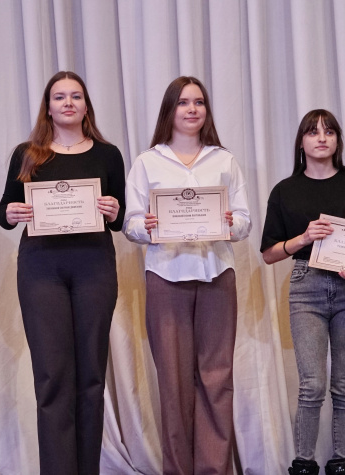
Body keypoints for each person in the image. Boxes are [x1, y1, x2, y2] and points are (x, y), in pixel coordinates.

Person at [0, 71, 125, 475]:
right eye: (59, 97)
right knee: (52, 377)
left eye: (75, 96)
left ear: (86, 106)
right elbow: (4, 212)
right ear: (48, 107)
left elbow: (121, 219)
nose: (68, 103)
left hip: (94, 268)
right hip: (41, 270)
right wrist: (11, 212)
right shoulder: (27, 153)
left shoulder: (108, 154)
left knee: (91, 377)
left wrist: (114, 210)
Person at [123, 76, 251, 475]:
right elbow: (130, 224)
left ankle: (214, 469)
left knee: (217, 377)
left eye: (198, 102)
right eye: (183, 102)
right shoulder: (148, 162)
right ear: (170, 110)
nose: (192, 109)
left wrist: (230, 222)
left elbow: (245, 221)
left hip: (217, 275)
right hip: (166, 275)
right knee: (174, 382)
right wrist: (148, 226)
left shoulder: (224, 161)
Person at [260, 109, 345, 475]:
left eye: (329, 131)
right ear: (301, 142)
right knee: (312, 384)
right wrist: (303, 238)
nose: (322, 138)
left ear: (338, 140)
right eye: (313, 132)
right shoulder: (285, 190)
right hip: (307, 286)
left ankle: (341, 461)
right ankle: (303, 462)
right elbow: (269, 253)